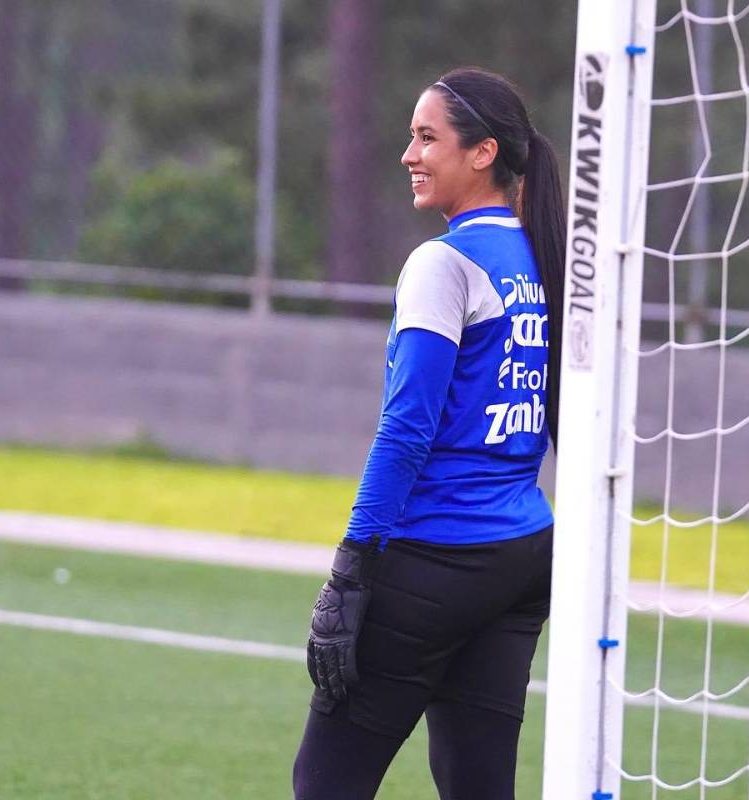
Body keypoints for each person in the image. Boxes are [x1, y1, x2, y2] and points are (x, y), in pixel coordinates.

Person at [291, 66, 566, 800]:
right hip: (521, 556)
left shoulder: (444, 264)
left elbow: (407, 431)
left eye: (426, 137)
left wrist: (351, 566)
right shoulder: (542, 260)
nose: (409, 154)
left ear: (482, 153)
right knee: (478, 787)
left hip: (436, 557)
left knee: (324, 784)